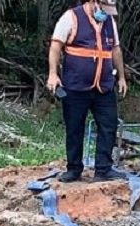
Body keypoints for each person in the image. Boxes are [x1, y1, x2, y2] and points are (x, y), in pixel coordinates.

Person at [47, 0, 128, 184]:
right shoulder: (71, 18)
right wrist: (53, 74)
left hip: (103, 86)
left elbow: (115, 50)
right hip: (76, 86)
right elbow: (55, 46)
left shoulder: (109, 22)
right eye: (103, 9)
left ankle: (103, 169)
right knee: (75, 128)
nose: (105, 13)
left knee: (108, 126)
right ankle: (74, 169)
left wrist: (122, 77)